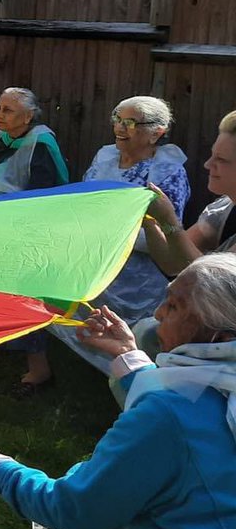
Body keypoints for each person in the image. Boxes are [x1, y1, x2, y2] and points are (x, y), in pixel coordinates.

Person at [0, 255, 236, 529]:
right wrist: (128, 356)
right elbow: (193, 410)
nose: (159, 313)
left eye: (174, 307)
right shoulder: (217, 391)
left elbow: (75, 510)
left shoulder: (168, 414)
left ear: (217, 337)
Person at [43, 96, 190, 374]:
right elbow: (83, 200)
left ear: (156, 133)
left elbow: (168, 236)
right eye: (117, 119)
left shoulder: (167, 172)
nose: (120, 128)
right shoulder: (105, 157)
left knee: (129, 328)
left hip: (134, 274)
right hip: (88, 257)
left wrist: (107, 233)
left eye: (131, 122)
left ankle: (129, 371)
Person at [145, 109, 236, 275]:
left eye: (221, 160)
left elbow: (212, 280)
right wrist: (149, 221)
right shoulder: (224, 208)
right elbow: (173, 263)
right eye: (212, 155)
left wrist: (168, 218)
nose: (208, 164)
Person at [0, 87, 68, 198]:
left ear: (28, 116)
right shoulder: (1, 137)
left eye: (7, 110)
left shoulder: (40, 144)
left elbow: (40, 191)